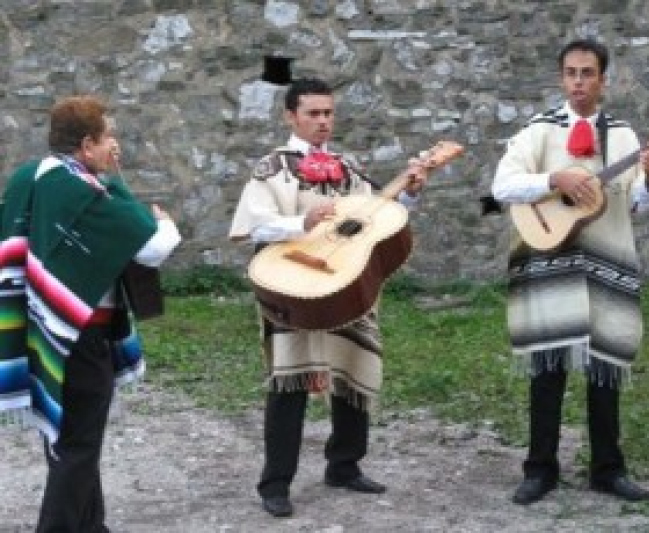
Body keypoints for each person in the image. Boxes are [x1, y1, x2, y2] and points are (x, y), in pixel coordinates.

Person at [229, 77, 428, 518]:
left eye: (328, 113)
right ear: (290, 117)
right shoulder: (271, 168)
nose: (323, 121)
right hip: (293, 283)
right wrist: (303, 221)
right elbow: (255, 226)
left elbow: (376, 216)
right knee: (289, 379)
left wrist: (409, 193)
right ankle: (275, 482)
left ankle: (345, 464)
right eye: (313, 113)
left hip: (344, 279)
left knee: (354, 366)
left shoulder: (347, 168)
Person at [491, 38, 649, 505]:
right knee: (548, 367)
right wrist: (554, 179)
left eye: (588, 73)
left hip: (606, 262)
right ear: (561, 78)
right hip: (547, 258)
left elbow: (637, 202)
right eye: (571, 73)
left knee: (604, 368)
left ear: (603, 80)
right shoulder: (538, 131)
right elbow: (502, 185)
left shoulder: (624, 135)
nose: (579, 82)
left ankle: (608, 469)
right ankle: (539, 469)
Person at [0, 95, 181, 532]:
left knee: (64, 444)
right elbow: (153, 248)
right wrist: (164, 220)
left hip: (38, 329)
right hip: (79, 334)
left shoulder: (31, 176)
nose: (113, 145)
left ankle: (91, 526)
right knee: (79, 446)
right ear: (86, 145)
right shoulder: (86, 189)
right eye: (108, 137)